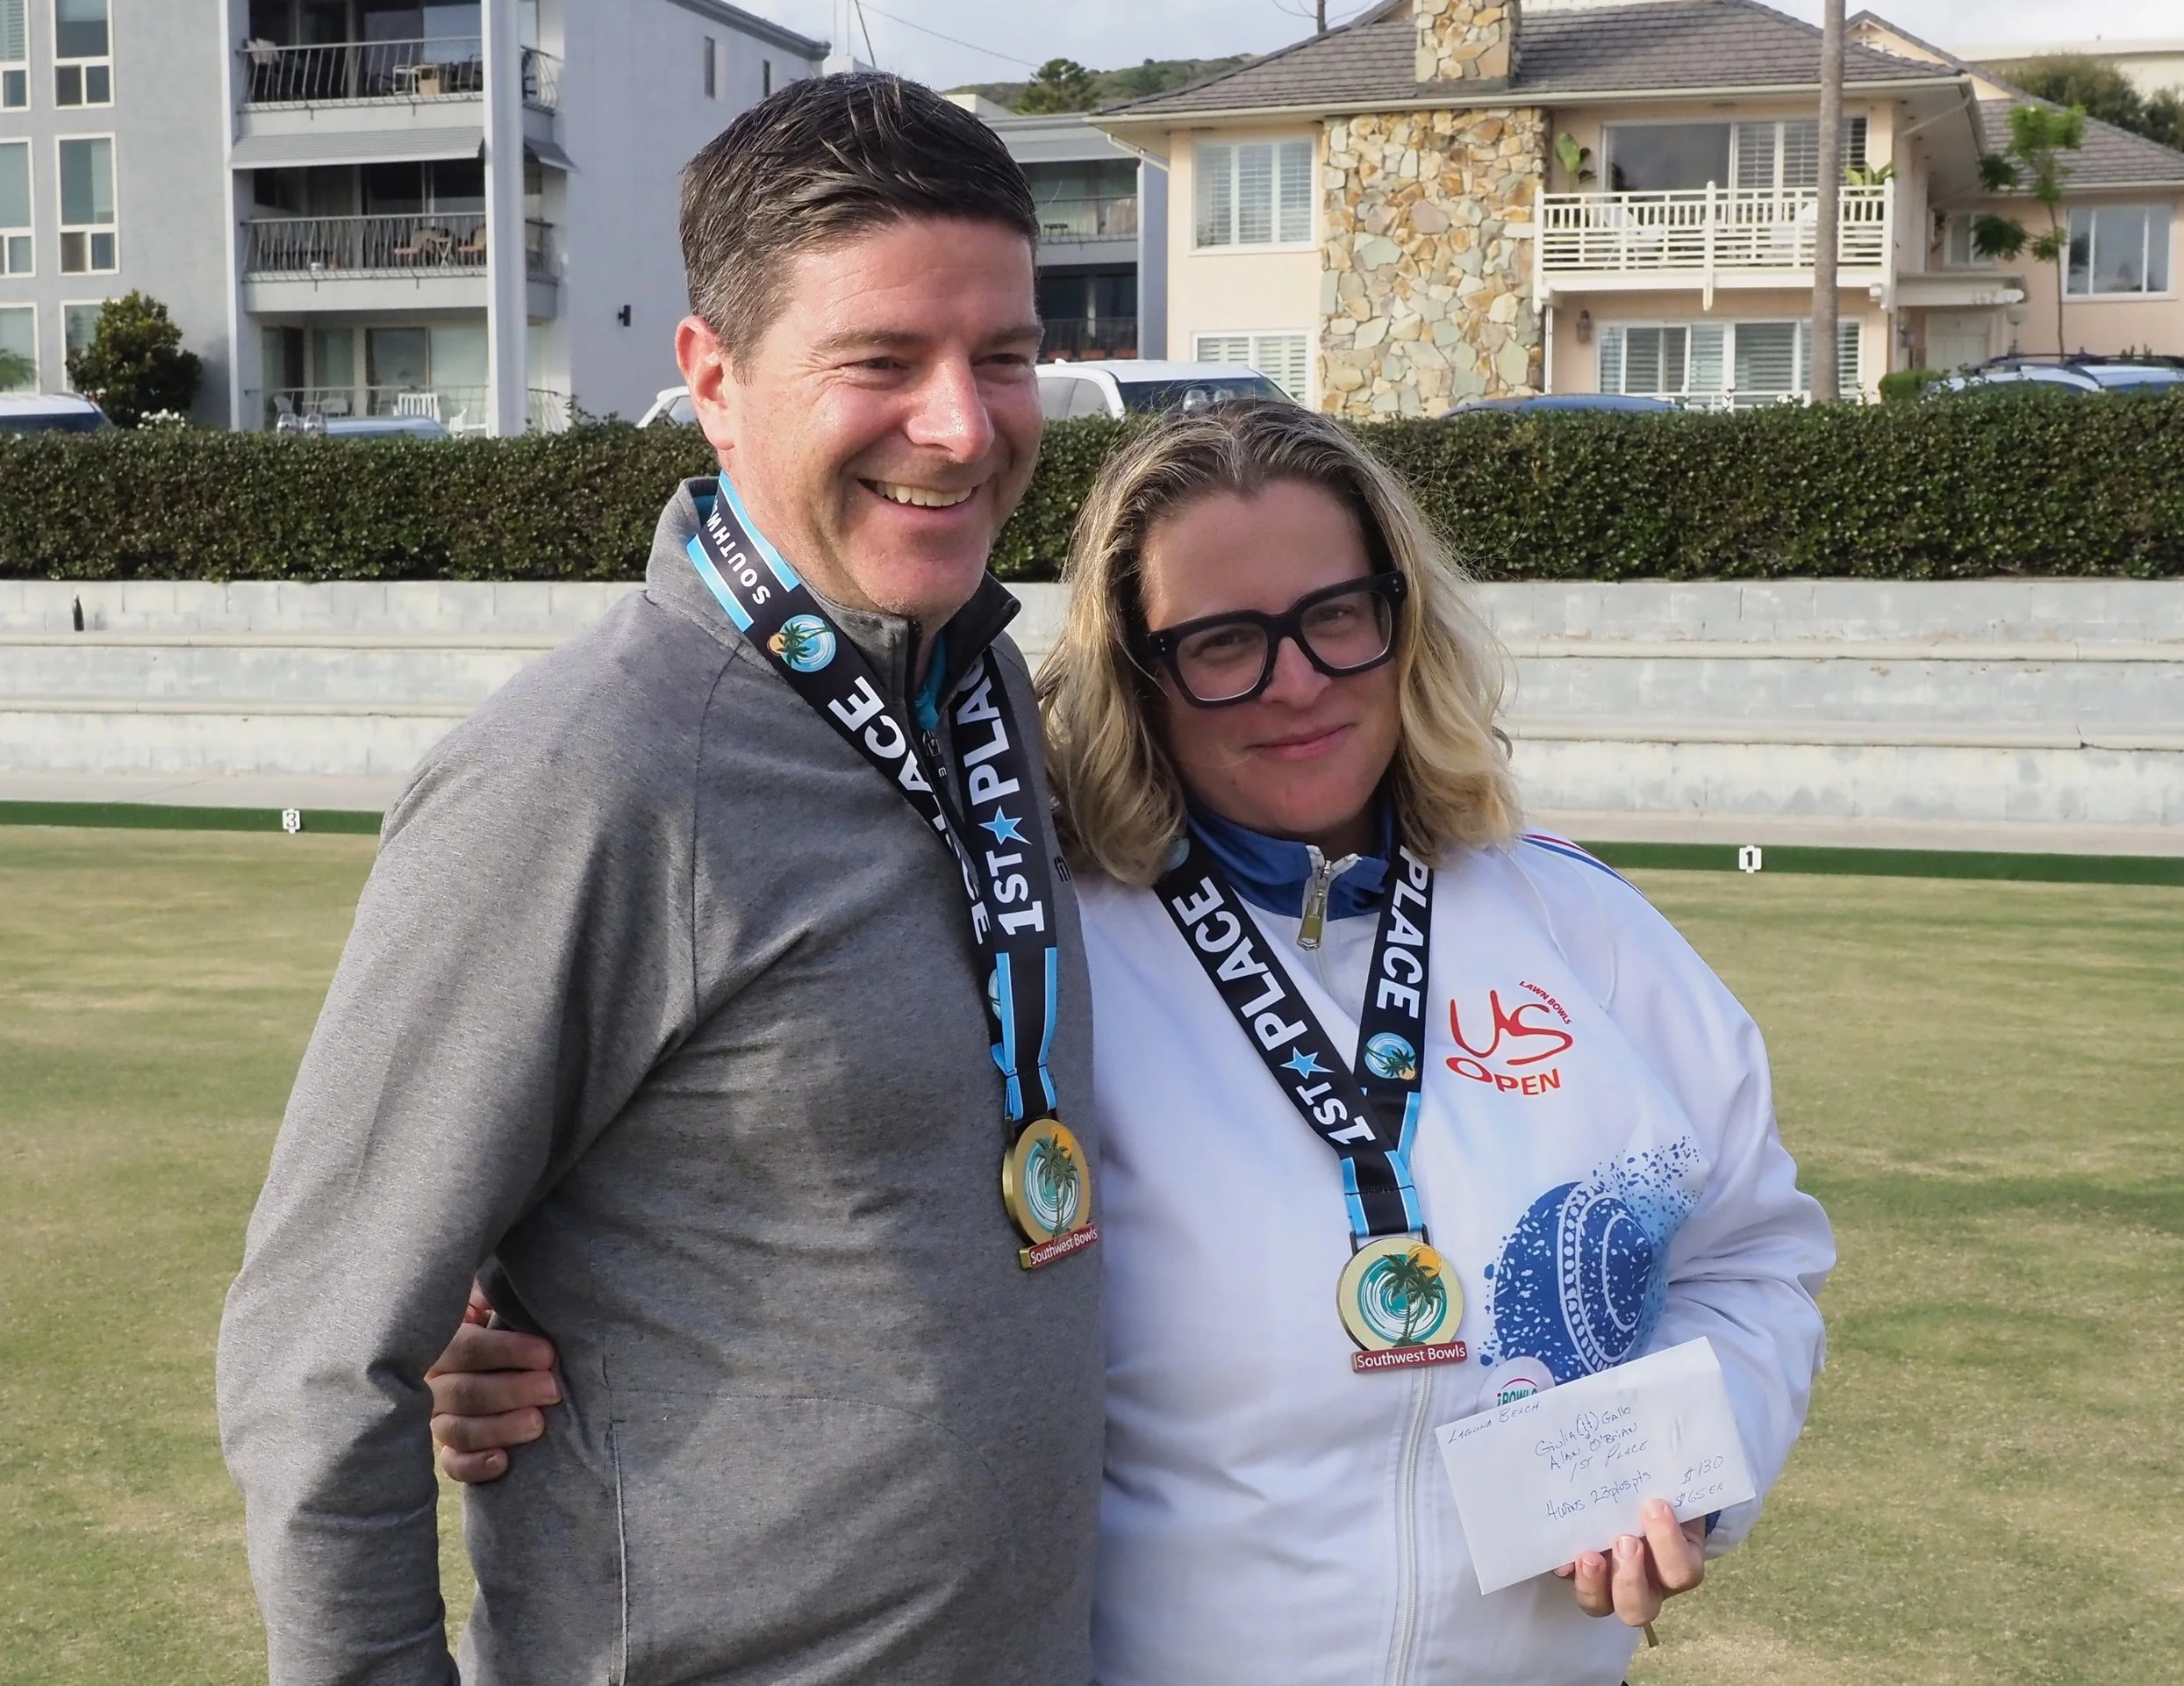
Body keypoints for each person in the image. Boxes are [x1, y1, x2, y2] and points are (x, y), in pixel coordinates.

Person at [433, 400, 1837, 1682]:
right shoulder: (1040, 955)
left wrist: (1696, 1470)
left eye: (1337, 613)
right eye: (1220, 643)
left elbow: (1753, 1258)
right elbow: (805, 1220)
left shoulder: (1584, 933)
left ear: (1405, 619)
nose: (1295, 682)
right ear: (1136, 670)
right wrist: (510, 1327)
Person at [215, 75, 1105, 1686]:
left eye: (1004, 357)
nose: (963, 426)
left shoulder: (992, 711)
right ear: (713, 379)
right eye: (881, 362)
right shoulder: (579, 774)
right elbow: (316, 1364)